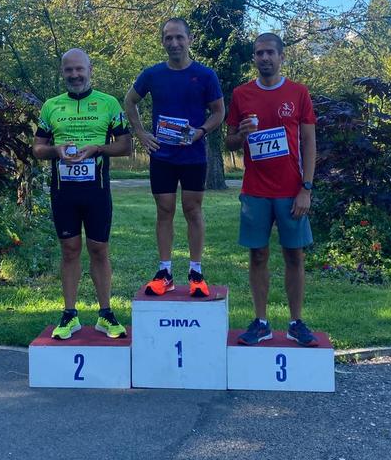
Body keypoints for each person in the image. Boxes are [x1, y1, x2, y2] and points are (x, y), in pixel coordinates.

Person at [225, 32, 319, 346]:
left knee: (294, 255)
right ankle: (261, 322)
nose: (264, 58)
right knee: (258, 255)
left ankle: (296, 322)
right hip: (255, 191)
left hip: (291, 190)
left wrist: (306, 188)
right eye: (259, 53)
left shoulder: (298, 93)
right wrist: (240, 134)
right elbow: (229, 142)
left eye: (270, 53)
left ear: (281, 57)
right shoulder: (241, 94)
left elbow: (309, 142)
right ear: (254, 57)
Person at [33, 48, 131, 340]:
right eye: (69, 70)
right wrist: (56, 150)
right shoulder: (51, 106)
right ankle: (69, 314)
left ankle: (105, 314)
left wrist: (98, 148)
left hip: (96, 191)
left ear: (90, 70)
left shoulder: (108, 103)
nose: (74, 75)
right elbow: (37, 149)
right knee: (69, 250)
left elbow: (125, 146)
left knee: (99, 249)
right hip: (63, 192)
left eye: (79, 69)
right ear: (62, 72)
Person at [124, 17, 225, 297]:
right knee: (165, 210)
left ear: (190, 40)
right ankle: (165, 272)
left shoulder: (205, 75)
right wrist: (141, 133)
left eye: (179, 37)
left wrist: (201, 131)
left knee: (193, 210)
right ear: (162, 42)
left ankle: (196, 272)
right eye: (168, 38)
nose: (174, 43)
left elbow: (219, 112)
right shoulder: (152, 74)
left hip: (193, 155)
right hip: (163, 155)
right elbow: (130, 101)